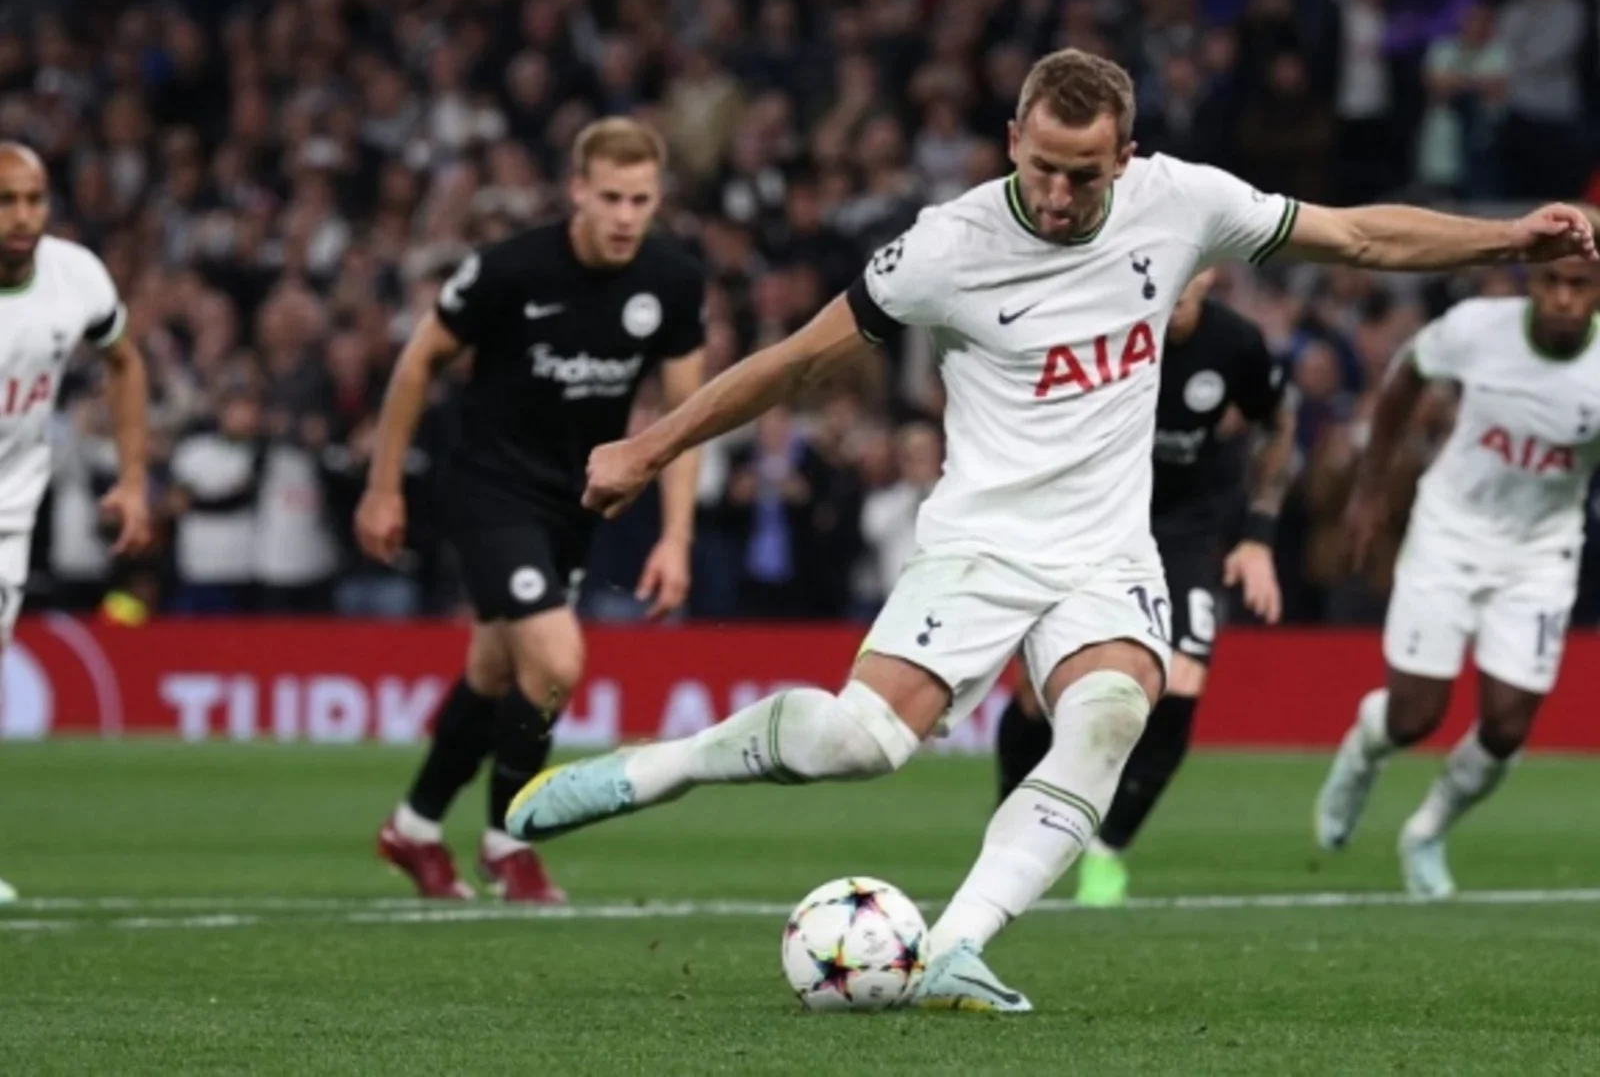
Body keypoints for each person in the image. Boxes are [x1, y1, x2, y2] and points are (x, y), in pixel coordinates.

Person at [505, 49, 1595, 1012]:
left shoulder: (1180, 203)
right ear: (1011, 141)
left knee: (1114, 711)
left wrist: (1507, 240)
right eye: (1044, 167)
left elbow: (1356, 236)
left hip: (1110, 551)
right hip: (979, 542)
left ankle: (960, 947)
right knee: (860, 745)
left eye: (1086, 172)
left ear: (1126, 157)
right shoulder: (947, 247)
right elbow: (793, 360)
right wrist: (648, 450)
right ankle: (670, 766)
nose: (1064, 194)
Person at [356, 119, 706, 902]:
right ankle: (509, 839)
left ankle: (412, 829)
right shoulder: (510, 270)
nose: (624, 215)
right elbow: (418, 364)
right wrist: (382, 487)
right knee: (554, 664)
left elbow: (686, 420)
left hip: (575, 502)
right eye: (610, 197)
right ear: (577, 191)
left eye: (640, 199)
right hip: (487, 489)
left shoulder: (673, 282)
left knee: (492, 670)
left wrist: (676, 537)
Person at [993, 265, 1295, 907]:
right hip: (1092, 519)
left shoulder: (1236, 344)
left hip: (1186, 530)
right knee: (1035, 694)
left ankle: (1109, 848)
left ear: (1210, 271)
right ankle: (1011, 839)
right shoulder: (1105, 328)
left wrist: (1258, 533)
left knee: (1183, 682)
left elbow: (1278, 423)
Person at [1316, 260, 1600, 898]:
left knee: (1506, 727)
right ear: (1532, 282)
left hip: (1540, 551)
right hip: (1450, 530)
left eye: (1579, 285)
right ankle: (1364, 751)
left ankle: (1427, 831)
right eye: (1550, 281)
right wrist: (1369, 490)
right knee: (1414, 717)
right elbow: (1405, 377)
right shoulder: (1477, 329)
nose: (1562, 297)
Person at [0, 142, 152, 903]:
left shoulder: (77, 276)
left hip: (9, 509)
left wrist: (131, 478)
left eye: (34, 199)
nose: (22, 218)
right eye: (6, 202)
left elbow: (123, 361)